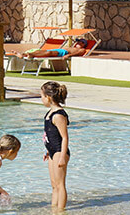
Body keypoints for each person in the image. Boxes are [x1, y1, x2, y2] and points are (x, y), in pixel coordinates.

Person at [41, 81, 70, 212]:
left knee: (60, 184)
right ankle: (54, 209)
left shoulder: (58, 115)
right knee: (54, 184)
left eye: (41, 96)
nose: (41, 99)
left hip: (59, 151)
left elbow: (64, 137)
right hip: (52, 151)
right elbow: (50, 135)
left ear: (48, 97)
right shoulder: (49, 113)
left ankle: (61, 210)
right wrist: (48, 151)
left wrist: (62, 156)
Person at [24, 38, 89, 61]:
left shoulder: (82, 49)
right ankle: (24, 54)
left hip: (64, 53)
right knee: (40, 51)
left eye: (79, 42)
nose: (77, 42)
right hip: (59, 50)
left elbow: (78, 54)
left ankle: (31, 54)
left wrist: (69, 55)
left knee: (49, 53)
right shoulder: (73, 47)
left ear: (83, 44)